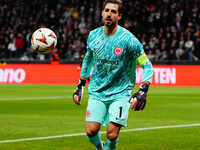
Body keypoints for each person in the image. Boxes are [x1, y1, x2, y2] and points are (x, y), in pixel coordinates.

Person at [73, 0, 154, 150]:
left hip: (121, 92)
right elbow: (88, 59)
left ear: (119, 16)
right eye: (107, 10)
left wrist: (143, 89)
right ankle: (100, 147)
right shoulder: (93, 36)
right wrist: (81, 84)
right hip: (97, 90)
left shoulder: (129, 40)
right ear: (102, 13)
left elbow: (147, 66)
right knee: (91, 131)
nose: (109, 14)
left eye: (113, 11)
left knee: (112, 134)